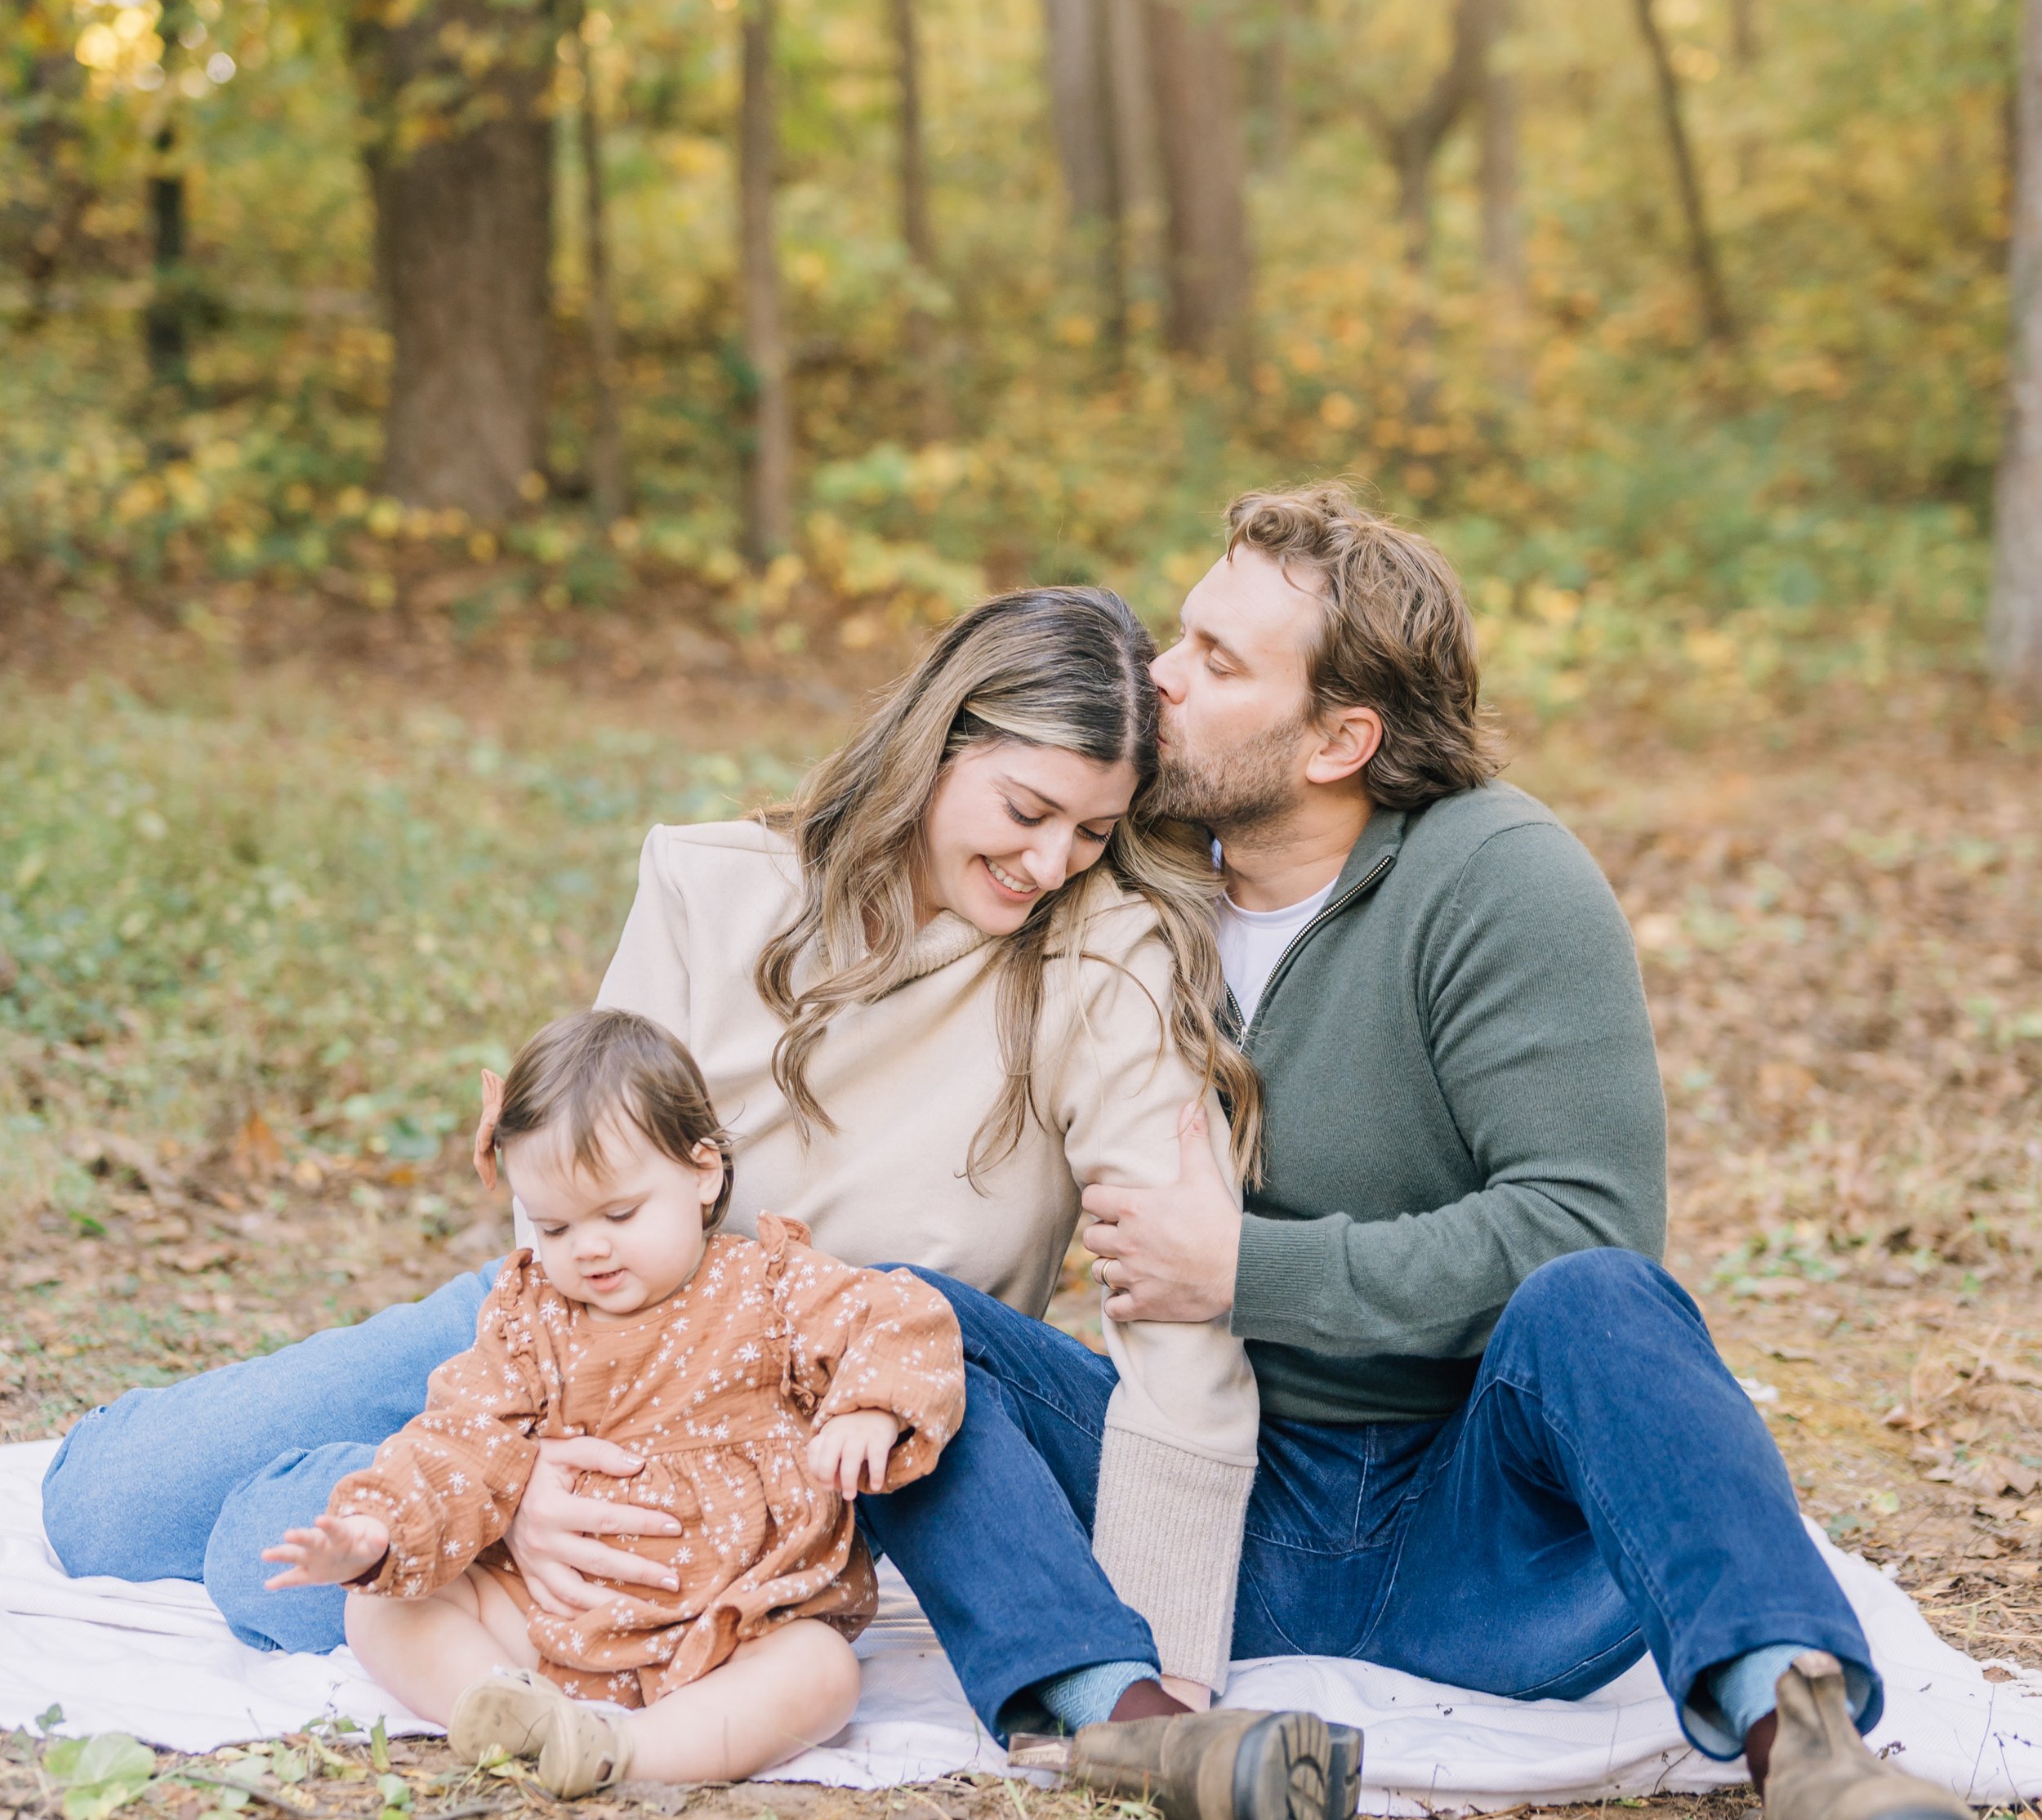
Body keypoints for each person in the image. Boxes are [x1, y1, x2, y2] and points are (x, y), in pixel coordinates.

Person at [855, 485, 2007, 1820]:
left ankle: (1818, 1769)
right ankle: (1144, 1739)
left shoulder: (1499, 880)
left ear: (1338, 739)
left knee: (1597, 1292)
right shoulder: (1122, 876)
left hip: (1484, 1542)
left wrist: (1247, 1269)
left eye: (1217, 655)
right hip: (1218, 1507)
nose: (1161, 674)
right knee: (895, 1313)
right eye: (1178, 633)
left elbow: (1583, 1217)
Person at [42, 588, 1297, 1745]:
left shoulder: (1104, 958)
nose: (1049, 862)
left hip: (764, 1431)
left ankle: (419, 1531)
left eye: (1092, 830)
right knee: (107, 1506)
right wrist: (521, 1477)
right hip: (579, 1336)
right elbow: (588, 1182)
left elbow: (1174, 1312)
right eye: (1026, 811)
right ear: (938, 740)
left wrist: (1161, 1670)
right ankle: (438, 1498)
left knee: (253, 1563)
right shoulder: (713, 885)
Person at [263, 1008, 966, 1797]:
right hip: (554, 1621)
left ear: (703, 1172)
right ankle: (509, 1714)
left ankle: (622, 1757)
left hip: (733, 1627)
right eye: (554, 1226)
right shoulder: (530, 1315)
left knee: (823, 1674)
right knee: (381, 1612)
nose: (588, 1248)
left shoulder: (767, 1284)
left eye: (619, 1215)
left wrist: (867, 1408)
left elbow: (901, 1317)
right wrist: (376, 1529)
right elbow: (457, 1438)